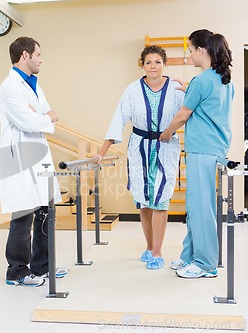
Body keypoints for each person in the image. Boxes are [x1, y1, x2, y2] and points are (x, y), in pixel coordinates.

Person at [96, 45, 185, 270]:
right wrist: (102, 151)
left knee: (161, 200)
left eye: (157, 62)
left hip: (166, 146)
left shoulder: (176, 88)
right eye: (148, 62)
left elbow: (189, 113)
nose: (153, 66)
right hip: (139, 148)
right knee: (144, 203)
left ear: (164, 63)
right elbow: (118, 119)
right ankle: (148, 246)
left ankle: (157, 251)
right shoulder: (132, 89)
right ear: (142, 65)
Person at [159, 29, 234, 279]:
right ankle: (190, 255)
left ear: (201, 51)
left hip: (202, 149)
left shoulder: (202, 81)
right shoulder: (222, 79)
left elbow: (182, 115)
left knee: (201, 208)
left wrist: (167, 133)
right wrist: (188, 87)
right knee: (196, 206)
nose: (189, 55)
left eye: (190, 50)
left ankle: (206, 264)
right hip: (214, 148)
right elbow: (208, 101)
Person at [0, 36, 67, 287]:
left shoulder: (34, 84)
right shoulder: (9, 87)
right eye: (38, 54)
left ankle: (42, 266)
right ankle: (16, 270)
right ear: (25, 55)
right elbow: (28, 121)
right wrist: (42, 116)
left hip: (39, 153)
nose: (41, 59)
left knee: (46, 210)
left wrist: (41, 116)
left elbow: (51, 116)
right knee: (24, 213)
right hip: (21, 155)